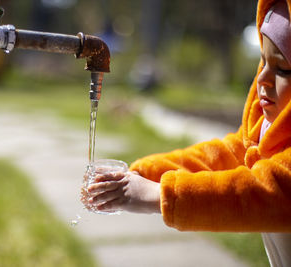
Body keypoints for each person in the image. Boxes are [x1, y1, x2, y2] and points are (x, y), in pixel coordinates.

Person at [83, 0, 291, 266]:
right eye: (262, 61)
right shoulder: (269, 132)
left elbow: (258, 193)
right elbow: (226, 155)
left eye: (283, 68)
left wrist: (157, 195)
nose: (263, 79)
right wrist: (139, 174)